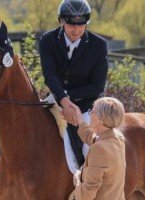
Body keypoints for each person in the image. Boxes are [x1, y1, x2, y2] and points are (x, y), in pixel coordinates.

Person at [39, 0, 108, 166]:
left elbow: (97, 86)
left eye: (81, 25)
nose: (76, 30)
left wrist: (69, 99)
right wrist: (63, 100)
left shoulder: (98, 45)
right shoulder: (47, 40)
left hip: (85, 106)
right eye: (71, 25)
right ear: (61, 21)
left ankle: (91, 187)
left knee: (89, 148)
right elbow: (49, 75)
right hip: (55, 99)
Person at [72, 97, 126, 199]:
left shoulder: (99, 148)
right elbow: (94, 139)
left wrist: (77, 178)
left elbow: (86, 196)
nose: (90, 114)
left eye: (92, 111)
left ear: (100, 119)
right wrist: (80, 122)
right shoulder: (117, 138)